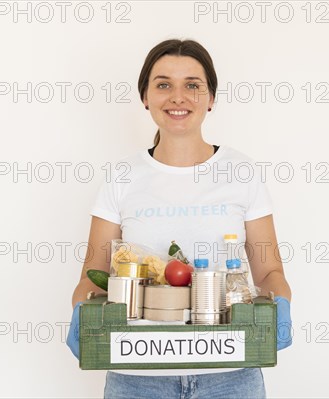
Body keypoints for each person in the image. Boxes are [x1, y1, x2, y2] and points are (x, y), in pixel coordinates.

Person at [66, 39, 292, 399]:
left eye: (192, 85)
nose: (178, 97)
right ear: (145, 97)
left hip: (230, 374)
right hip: (137, 375)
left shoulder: (241, 172)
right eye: (163, 84)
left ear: (211, 98)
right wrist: (82, 309)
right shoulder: (122, 176)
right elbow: (92, 275)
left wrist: (279, 306)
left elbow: (269, 274)